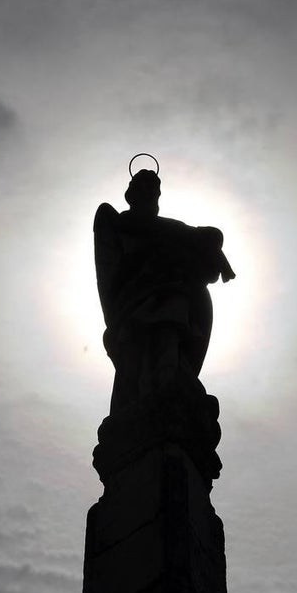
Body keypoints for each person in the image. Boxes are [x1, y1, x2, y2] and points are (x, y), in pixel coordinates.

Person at [94, 169, 235, 413]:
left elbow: (207, 235)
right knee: (137, 358)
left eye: (153, 190)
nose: (150, 195)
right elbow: (114, 272)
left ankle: (170, 391)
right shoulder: (121, 224)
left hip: (170, 300)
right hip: (137, 303)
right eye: (143, 188)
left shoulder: (169, 228)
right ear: (132, 195)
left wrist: (212, 249)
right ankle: (151, 401)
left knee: (169, 345)